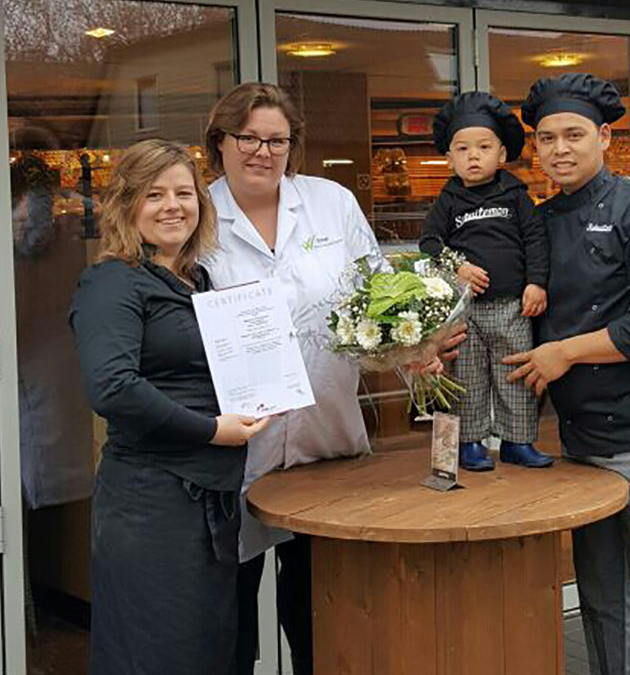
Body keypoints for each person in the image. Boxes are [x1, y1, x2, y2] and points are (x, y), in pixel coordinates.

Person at [202, 82, 461, 675]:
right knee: (228, 627)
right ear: (220, 142)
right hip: (236, 448)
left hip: (326, 441)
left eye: (277, 140)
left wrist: (414, 349)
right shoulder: (197, 214)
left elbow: (377, 297)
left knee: (321, 620)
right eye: (248, 138)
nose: (263, 152)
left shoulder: (329, 202)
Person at [505, 73, 630, 675]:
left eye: (573, 135)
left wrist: (564, 353)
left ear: (605, 138)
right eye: (547, 138)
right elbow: (519, 309)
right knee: (601, 603)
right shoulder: (539, 221)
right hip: (580, 442)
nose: (559, 149)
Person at [69, 139, 269, 675]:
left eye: (184, 193)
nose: (172, 206)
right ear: (126, 204)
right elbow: (113, 388)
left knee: (210, 652)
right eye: (154, 195)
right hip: (151, 507)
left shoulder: (199, 280)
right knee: (158, 654)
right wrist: (211, 430)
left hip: (209, 502)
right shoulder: (111, 282)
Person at [419, 91, 553, 471]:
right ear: (449, 158)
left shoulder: (515, 196)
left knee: (515, 374)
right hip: (466, 311)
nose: (473, 156)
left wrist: (536, 283)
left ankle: (517, 441)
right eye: (462, 149)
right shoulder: (448, 200)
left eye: (483, 147)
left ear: (502, 154)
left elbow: (535, 240)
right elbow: (429, 243)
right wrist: (458, 266)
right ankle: (468, 444)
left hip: (512, 306)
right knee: (469, 378)